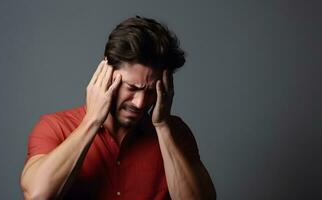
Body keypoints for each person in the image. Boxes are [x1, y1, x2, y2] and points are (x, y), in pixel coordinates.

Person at [20, 16, 216, 200]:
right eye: (131, 87)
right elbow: (37, 196)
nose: (140, 103)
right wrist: (92, 121)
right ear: (107, 72)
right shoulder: (55, 127)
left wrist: (162, 126)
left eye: (151, 91)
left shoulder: (176, 133)